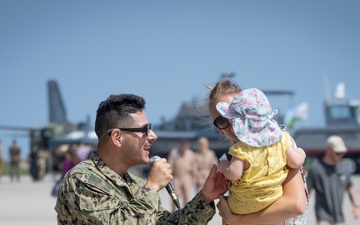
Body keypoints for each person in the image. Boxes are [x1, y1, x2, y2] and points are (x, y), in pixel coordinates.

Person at [55, 94, 228, 224]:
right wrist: (152, 188)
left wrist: (205, 198)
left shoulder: (136, 185)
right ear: (117, 137)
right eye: (144, 130)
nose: (153, 136)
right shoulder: (82, 179)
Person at [208, 79, 309, 225]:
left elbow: (296, 205)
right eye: (223, 121)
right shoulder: (238, 153)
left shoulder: (277, 140)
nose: (234, 124)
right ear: (219, 129)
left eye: (240, 116)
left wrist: (236, 220)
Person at [306, 135, 360, 225]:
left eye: (342, 153)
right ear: (329, 150)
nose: (340, 155)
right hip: (323, 216)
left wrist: (355, 206)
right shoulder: (316, 168)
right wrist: (303, 210)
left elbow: (350, 187)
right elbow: (307, 191)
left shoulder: (343, 168)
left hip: (339, 216)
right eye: (337, 153)